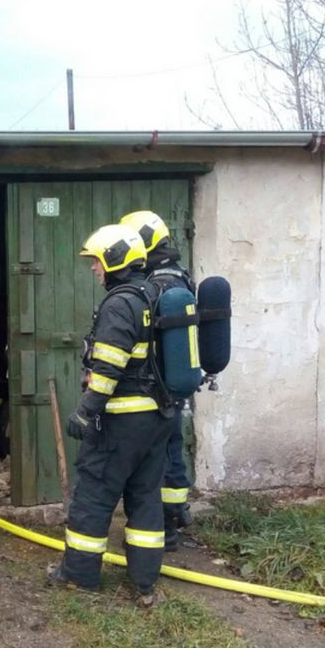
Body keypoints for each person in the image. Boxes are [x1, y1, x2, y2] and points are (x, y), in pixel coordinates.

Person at [47, 223, 175, 606]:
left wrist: (85, 412)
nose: (93, 268)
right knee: (146, 497)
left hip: (121, 420)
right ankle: (144, 582)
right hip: (155, 419)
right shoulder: (154, 295)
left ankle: (79, 575)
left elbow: (108, 367)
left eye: (97, 261)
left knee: (94, 495)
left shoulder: (120, 304)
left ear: (115, 260)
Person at [119, 209, 196, 551]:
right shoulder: (178, 276)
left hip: (157, 388)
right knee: (171, 450)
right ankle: (174, 516)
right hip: (171, 385)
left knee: (159, 458)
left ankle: (164, 529)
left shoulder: (158, 284)